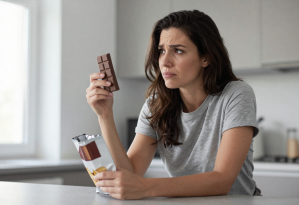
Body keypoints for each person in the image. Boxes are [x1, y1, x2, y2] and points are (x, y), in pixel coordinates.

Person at [86, 10, 262, 200]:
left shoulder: (236, 94)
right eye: (161, 51)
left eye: (178, 50)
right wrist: (104, 115)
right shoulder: (156, 104)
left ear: (206, 57)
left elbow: (222, 180)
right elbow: (131, 173)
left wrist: (146, 187)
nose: (165, 62)